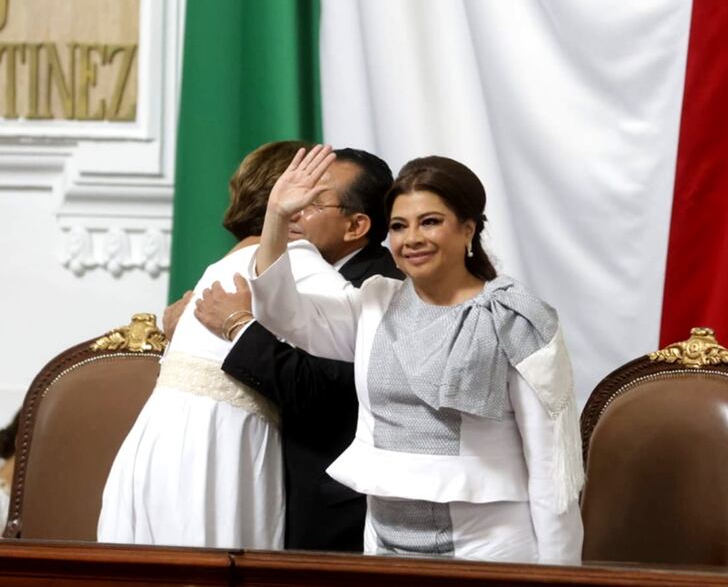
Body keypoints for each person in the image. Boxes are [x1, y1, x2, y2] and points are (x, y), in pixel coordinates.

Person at [247, 147, 584, 563]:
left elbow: (553, 467)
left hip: (492, 550)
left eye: (430, 222)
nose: (412, 239)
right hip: (384, 545)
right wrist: (277, 216)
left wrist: (560, 576)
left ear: (467, 229)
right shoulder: (374, 301)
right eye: (399, 226)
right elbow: (280, 313)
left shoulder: (515, 317)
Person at [97, 141, 346, 548]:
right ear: (296, 202)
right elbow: (368, 337)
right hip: (216, 449)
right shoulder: (296, 260)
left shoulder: (220, 264)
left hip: (156, 440)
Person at [191, 147, 403, 551]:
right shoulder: (305, 269)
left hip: (339, 506)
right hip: (283, 484)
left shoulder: (379, 284)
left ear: (356, 225)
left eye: (312, 202)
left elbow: (324, 389)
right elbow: (280, 302)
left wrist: (239, 327)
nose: (296, 212)